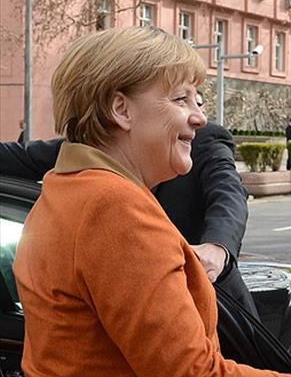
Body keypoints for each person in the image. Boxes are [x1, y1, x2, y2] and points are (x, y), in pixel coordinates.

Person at [11, 26, 291, 377]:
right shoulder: (114, 207)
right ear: (121, 109)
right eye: (180, 99)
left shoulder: (67, 189)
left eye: (198, 99)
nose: (200, 117)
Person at [1, 121, 258, 316]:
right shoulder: (96, 147)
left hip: (210, 304)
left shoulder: (203, 139)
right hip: (127, 310)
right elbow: (20, 158)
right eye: (180, 99)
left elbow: (229, 194)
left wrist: (216, 247)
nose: (197, 116)